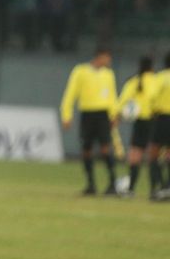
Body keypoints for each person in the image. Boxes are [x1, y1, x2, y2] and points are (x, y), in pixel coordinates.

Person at [60, 47, 118, 195]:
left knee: (105, 148)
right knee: (87, 149)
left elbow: (112, 96)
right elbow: (70, 93)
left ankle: (112, 183)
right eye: (107, 57)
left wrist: (114, 114)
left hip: (103, 115)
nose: (109, 61)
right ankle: (91, 184)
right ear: (100, 57)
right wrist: (66, 115)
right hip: (87, 114)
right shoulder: (81, 71)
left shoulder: (108, 74)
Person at [113, 55, 157, 198]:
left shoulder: (134, 82)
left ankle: (131, 189)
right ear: (152, 67)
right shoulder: (157, 81)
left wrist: (117, 116)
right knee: (154, 156)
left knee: (134, 156)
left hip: (140, 123)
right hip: (156, 121)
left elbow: (122, 100)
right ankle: (155, 190)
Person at [149, 53, 170, 200]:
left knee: (154, 153)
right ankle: (168, 187)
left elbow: (152, 97)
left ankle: (157, 186)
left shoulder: (160, 77)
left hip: (162, 118)